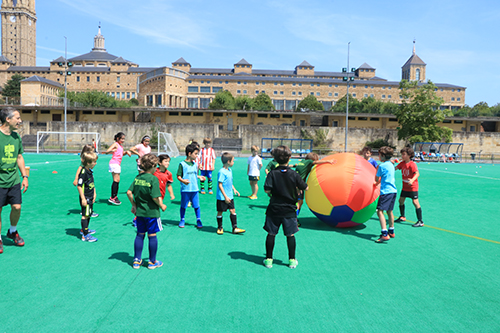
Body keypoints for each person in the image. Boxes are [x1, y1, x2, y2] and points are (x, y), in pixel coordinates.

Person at [263, 145, 308, 269]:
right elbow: (305, 187)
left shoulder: (272, 173)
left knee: (271, 234)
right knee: (290, 235)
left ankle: (268, 260)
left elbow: (267, 190)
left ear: (275, 159)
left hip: (274, 209)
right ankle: (292, 260)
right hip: (289, 210)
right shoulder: (294, 174)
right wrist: (297, 188)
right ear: (289, 158)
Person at [127, 154, 167, 269]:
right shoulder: (154, 179)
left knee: (140, 235)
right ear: (154, 166)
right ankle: (152, 261)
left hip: (140, 213)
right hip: (152, 213)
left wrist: (134, 205)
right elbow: (155, 197)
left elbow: (129, 192)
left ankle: (136, 260)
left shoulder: (138, 177)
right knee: (152, 236)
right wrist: (162, 205)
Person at [0, 107, 29, 253]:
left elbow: (19, 157)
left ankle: (12, 231)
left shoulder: (17, 137)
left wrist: (25, 176)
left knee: (16, 207)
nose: (20, 121)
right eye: (17, 118)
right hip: (0, 181)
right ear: (8, 119)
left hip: (14, 180)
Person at [294, 152, 334, 224]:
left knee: (297, 202)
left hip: (293, 183)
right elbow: (316, 162)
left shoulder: (302, 162)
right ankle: (294, 220)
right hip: (298, 185)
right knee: (299, 202)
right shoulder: (309, 162)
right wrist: (328, 161)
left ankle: (290, 218)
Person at [216, 152, 245, 235]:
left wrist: (234, 189)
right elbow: (220, 185)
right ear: (228, 161)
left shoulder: (230, 170)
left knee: (232, 210)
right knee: (220, 212)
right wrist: (225, 197)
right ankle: (220, 227)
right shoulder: (221, 172)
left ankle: (235, 227)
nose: (234, 162)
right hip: (222, 197)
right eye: (233, 161)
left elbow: (229, 182)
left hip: (230, 195)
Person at [177, 143, 205, 228]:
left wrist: (199, 177)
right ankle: (182, 219)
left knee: (196, 206)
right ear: (189, 154)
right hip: (185, 190)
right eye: (195, 154)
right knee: (183, 206)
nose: (197, 156)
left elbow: (194, 175)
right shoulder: (182, 164)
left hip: (195, 189)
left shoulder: (195, 164)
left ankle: (198, 219)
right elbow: (178, 176)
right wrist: (183, 181)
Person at [373, 146, 398, 243]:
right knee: (389, 211)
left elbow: (376, 179)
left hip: (385, 192)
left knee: (380, 211)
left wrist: (377, 169)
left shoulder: (381, 166)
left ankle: (384, 234)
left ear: (383, 156)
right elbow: (385, 177)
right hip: (393, 191)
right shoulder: (391, 165)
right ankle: (391, 231)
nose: (378, 157)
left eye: (379, 155)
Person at [395, 147, 424, 227]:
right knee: (401, 201)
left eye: (404, 154)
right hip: (405, 187)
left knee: (415, 202)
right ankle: (402, 216)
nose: (402, 156)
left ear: (409, 155)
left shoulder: (412, 164)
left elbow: (417, 174)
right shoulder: (402, 163)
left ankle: (420, 221)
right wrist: (390, 164)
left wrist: (412, 180)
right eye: (402, 154)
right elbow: (395, 168)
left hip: (412, 187)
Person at [103, 132, 131, 205]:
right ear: (118, 138)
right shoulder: (115, 144)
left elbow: (121, 154)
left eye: (124, 139)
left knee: (117, 180)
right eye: (122, 139)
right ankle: (113, 197)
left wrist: (127, 152)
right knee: (116, 180)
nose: (123, 140)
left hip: (117, 163)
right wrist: (112, 150)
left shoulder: (120, 146)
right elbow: (107, 151)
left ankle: (114, 196)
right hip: (114, 163)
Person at [77, 151, 98, 242]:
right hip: (85, 197)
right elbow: (79, 185)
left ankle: (85, 229)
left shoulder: (89, 171)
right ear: (88, 163)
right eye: (94, 162)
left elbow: (91, 183)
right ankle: (85, 235)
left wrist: (94, 193)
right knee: (85, 215)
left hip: (90, 196)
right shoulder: (83, 172)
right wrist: (83, 198)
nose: (95, 163)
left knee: (88, 214)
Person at [73, 144, 99, 218]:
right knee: (84, 192)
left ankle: (89, 210)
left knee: (89, 192)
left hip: (88, 176)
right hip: (84, 178)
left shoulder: (89, 164)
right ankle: (84, 210)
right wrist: (76, 179)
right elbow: (79, 169)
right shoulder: (84, 161)